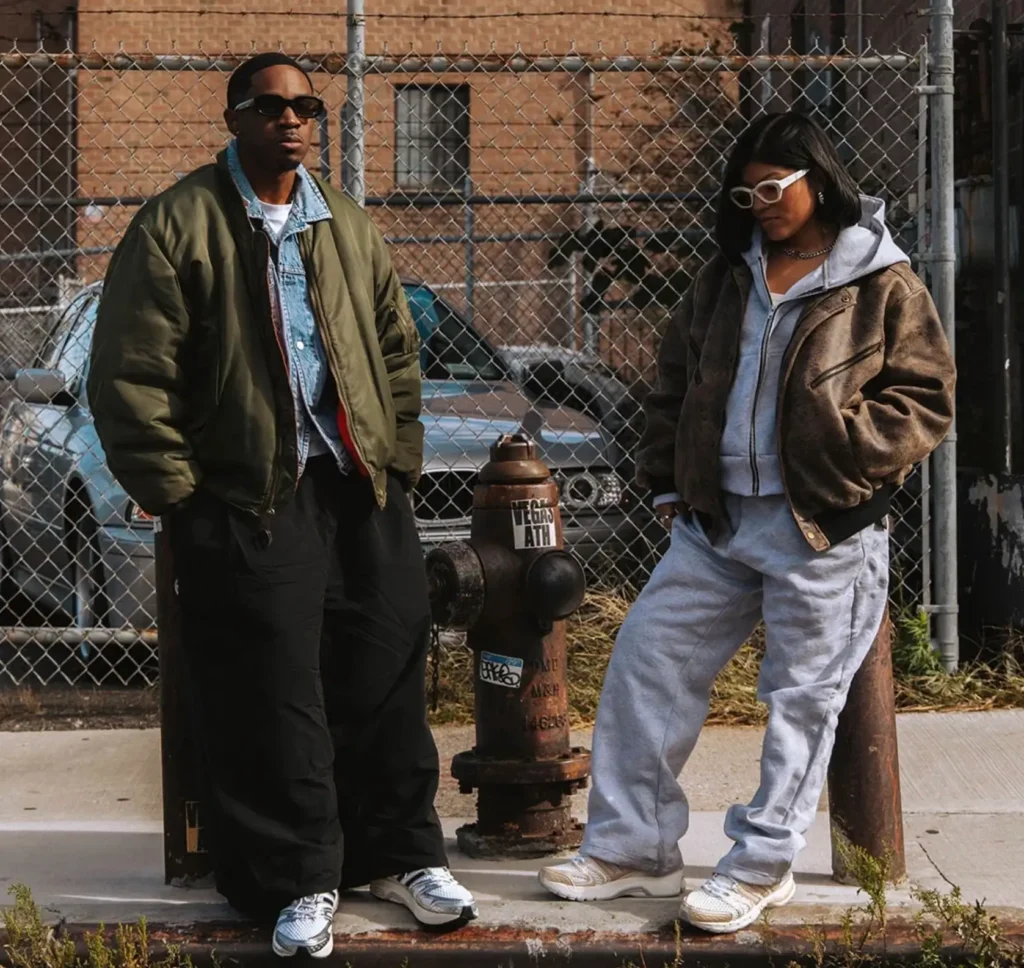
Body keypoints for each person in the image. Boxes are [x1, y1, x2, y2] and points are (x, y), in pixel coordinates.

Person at [87, 52, 477, 958]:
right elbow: (130, 376)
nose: (292, 120)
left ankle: (400, 854)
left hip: (357, 483)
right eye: (271, 106)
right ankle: (298, 879)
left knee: (386, 664)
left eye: (307, 106)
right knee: (271, 690)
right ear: (234, 118)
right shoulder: (178, 224)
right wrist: (179, 494)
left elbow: (395, 347)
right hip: (248, 496)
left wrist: (399, 456)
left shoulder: (343, 220)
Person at [538, 111, 955, 934]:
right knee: (647, 665)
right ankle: (631, 847)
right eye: (747, 190)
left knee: (802, 699)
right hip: (716, 523)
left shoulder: (881, 282)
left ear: (817, 180)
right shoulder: (727, 276)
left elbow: (925, 400)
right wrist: (666, 484)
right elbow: (673, 382)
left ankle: (761, 864)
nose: (760, 203)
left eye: (775, 187)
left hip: (821, 527)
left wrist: (846, 460)